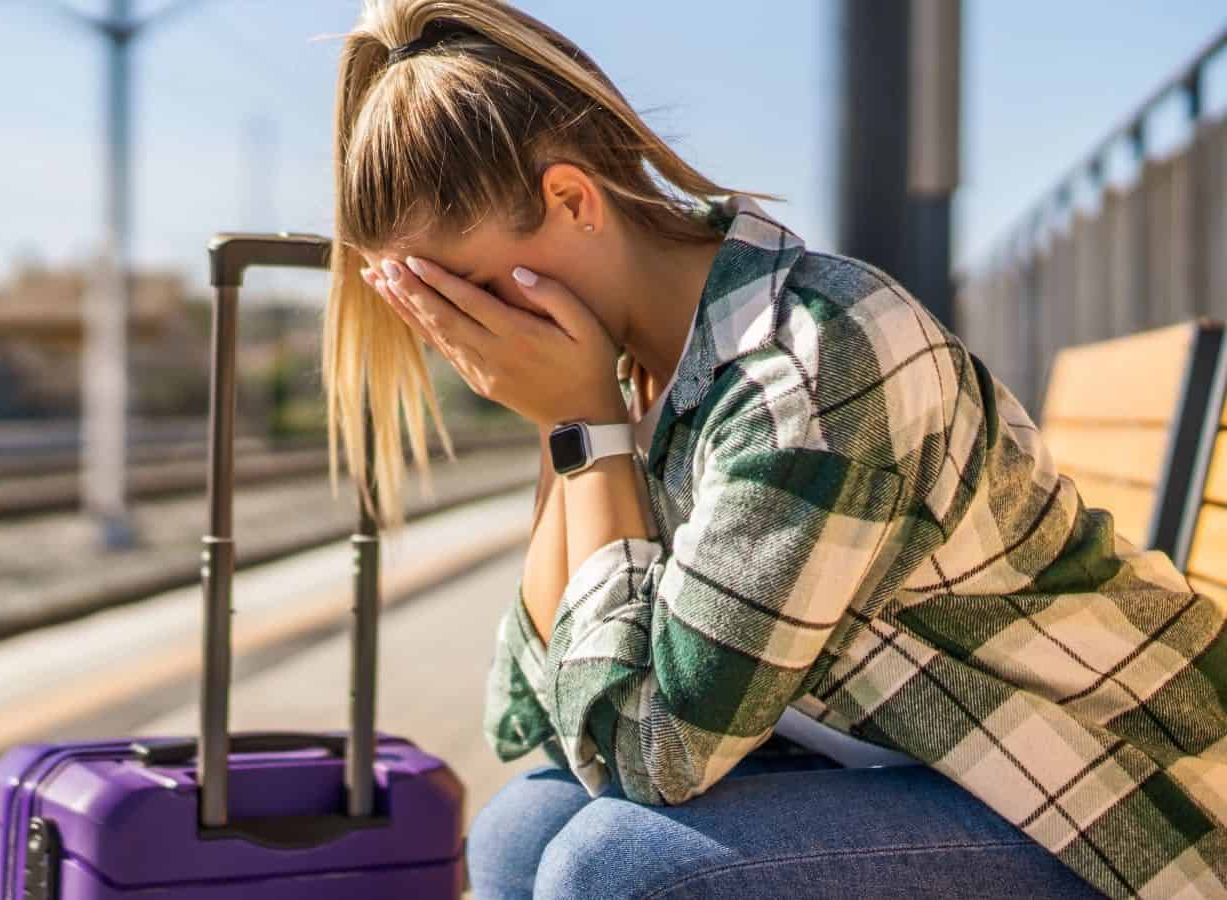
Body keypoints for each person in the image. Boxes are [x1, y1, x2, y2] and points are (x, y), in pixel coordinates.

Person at [318, 2, 1227, 897]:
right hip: (941, 759)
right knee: (520, 832)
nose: (470, 337)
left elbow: (655, 751)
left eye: (469, 291)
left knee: (615, 871)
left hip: (1113, 796)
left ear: (569, 200)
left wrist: (585, 430)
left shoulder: (811, 368)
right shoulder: (638, 366)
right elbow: (541, 715)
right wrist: (565, 424)